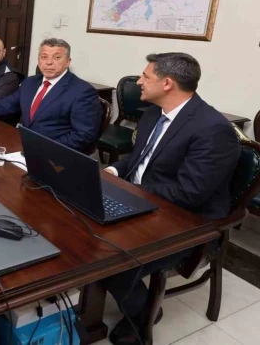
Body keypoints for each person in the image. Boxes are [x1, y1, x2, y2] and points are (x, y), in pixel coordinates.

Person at [101, 52, 240, 345]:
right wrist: (113, 171)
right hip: (146, 201)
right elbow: (138, 160)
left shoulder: (213, 129)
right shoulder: (154, 112)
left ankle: (143, 315)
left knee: (109, 260)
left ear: (167, 83)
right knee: (81, 231)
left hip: (189, 221)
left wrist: (131, 191)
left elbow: (190, 193)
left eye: (145, 76)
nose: (139, 82)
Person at [0, 38, 102, 152]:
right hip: (22, 146)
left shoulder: (82, 91)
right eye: (44, 57)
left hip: (54, 152)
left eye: (57, 57)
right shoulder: (31, 82)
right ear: (38, 60)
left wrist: (44, 147)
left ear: (68, 62)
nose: (49, 62)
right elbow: (5, 105)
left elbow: (83, 135)